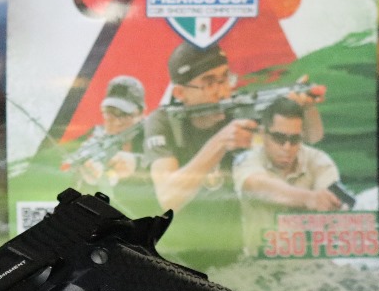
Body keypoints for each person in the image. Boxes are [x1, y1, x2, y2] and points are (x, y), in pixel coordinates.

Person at [143, 41, 324, 266]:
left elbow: (313, 136)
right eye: (209, 82)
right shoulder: (163, 122)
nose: (222, 91)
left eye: (224, 78)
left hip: (233, 257)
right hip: (175, 258)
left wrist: (305, 107)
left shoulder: (239, 110)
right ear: (180, 93)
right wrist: (221, 142)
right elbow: (169, 197)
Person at [233, 96, 343, 256]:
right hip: (260, 261)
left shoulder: (319, 161)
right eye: (279, 138)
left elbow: (333, 210)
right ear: (263, 134)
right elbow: (258, 185)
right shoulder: (247, 159)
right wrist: (309, 199)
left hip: (310, 260)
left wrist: (329, 203)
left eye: (294, 139)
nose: (287, 147)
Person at [66, 75, 146, 189]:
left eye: (125, 114)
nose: (116, 121)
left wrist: (136, 163)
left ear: (141, 113)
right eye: (110, 112)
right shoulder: (94, 137)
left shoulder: (156, 135)